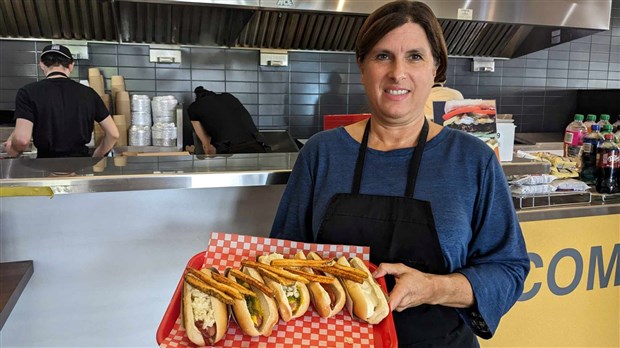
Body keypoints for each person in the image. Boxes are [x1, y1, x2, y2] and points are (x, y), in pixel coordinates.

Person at [269, 1, 529, 347]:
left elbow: (507, 271)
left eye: (415, 57)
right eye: (382, 56)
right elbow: (280, 261)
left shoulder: (472, 160)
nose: (397, 72)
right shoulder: (322, 153)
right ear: (362, 67)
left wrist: (433, 288)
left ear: (437, 69)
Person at [4, 44, 119, 158]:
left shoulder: (28, 92)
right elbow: (113, 134)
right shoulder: (89, 93)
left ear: (42, 64)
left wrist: (13, 149)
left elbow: (22, 140)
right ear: (71, 66)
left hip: (45, 166)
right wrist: (96, 157)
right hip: (81, 166)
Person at [188, 86, 269, 154]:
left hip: (231, 153)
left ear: (197, 98)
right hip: (258, 147)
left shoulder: (193, 108)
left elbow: (207, 147)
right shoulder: (228, 96)